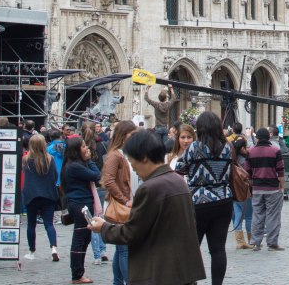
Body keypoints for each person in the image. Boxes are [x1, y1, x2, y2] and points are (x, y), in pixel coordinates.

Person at [88, 130, 206, 285]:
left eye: (132, 161)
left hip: (159, 272)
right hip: (182, 270)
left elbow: (131, 232)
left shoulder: (151, 188)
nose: (133, 168)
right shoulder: (177, 181)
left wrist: (103, 228)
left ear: (143, 158)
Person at [175, 111, 232, 285]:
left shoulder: (195, 147)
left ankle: (189, 281)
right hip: (223, 200)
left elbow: (179, 167)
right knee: (218, 249)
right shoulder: (228, 147)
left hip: (199, 201)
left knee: (191, 248)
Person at [62, 137, 101, 284]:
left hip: (81, 202)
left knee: (84, 238)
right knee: (80, 239)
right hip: (80, 204)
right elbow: (97, 175)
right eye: (83, 146)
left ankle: (79, 272)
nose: (87, 149)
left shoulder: (75, 165)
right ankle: (77, 274)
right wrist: (90, 161)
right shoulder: (74, 167)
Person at [101, 121, 137, 285]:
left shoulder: (124, 153)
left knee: (120, 248)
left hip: (125, 204)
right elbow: (108, 181)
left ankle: (117, 282)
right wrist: (125, 200)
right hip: (120, 206)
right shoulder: (115, 155)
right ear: (123, 136)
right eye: (132, 135)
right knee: (124, 248)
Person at [243, 128, 285, 251]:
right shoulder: (275, 150)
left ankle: (256, 242)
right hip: (272, 188)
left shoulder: (250, 152)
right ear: (269, 137)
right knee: (273, 216)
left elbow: (247, 172)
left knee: (257, 215)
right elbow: (281, 171)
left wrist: (251, 186)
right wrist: (282, 187)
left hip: (257, 188)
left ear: (257, 138)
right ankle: (272, 243)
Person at [21, 134, 60, 262]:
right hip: (48, 194)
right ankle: (54, 248)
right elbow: (55, 176)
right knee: (49, 223)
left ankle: (32, 251)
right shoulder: (50, 159)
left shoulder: (26, 160)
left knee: (31, 225)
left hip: (31, 195)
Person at [81, 126, 109, 267]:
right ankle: (103, 251)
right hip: (102, 185)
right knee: (101, 219)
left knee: (92, 222)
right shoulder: (104, 145)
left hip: (90, 187)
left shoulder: (83, 150)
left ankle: (97, 255)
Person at [230, 134, 254, 249]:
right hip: (245, 191)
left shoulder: (233, 161)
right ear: (243, 148)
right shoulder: (245, 161)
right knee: (249, 216)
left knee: (238, 216)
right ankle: (251, 240)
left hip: (235, 192)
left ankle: (240, 241)